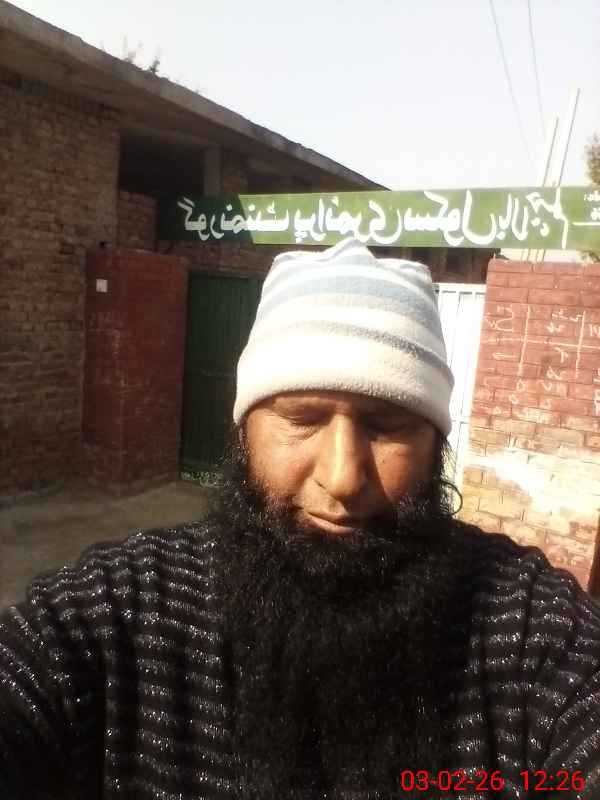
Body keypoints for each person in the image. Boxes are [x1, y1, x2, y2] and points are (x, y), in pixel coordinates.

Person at [1, 238, 599, 800]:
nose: (342, 477)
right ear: (245, 434)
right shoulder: (122, 611)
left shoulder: (524, 627)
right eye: (302, 419)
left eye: (387, 425)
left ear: (435, 444)